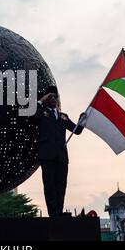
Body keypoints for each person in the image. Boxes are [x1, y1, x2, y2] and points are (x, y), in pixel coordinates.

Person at [35, 86, 86, 217]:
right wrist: (40, 101)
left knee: (61, 186)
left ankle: (59, 210)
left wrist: (82, 121)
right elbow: (33, 113)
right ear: (46, 99)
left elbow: (77, 131)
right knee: (50, 186)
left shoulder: (63, 117)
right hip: (47, 155)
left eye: (55, 97)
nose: (53, 99)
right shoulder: (42, 112)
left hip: (61, 157)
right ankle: (53, 213)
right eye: (50, 97)